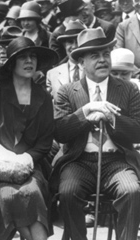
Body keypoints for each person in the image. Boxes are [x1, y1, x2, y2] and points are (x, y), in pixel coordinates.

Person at [50, 27, 140, 240]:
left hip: (117, 160)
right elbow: (60, 132)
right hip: (78, 160)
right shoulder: (66, 92)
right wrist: (84, 114)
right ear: (81, 63)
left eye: (105, 54)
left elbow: (138, 132)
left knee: (132, 191)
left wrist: (112, 118)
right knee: (68, 192)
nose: (102, 60)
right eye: (94, 56)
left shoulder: (128, 89)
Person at [0, 36, 59, 240]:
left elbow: (45, 141)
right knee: (8, 194)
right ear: (12, 63)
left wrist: (25, 160)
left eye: (33, 57)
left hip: (31, 166)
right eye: (23, 57)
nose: (29, 61)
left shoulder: (44, 97)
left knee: (32, 192)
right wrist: (3, 155)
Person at [50, 0, 116, 64]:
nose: (83, 15)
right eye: (80, 13)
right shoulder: (57, 34)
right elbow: (55, 62)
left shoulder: (83, 29)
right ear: (72, 17)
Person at [47, 19, 85, 102]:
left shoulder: (93, 69)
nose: (74, 46)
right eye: (70, 42)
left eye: (78, 41)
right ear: (64, 45)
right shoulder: (52, 74)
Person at [115, 0, 140, 76]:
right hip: (135, 78)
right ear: (136, 5)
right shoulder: (123, 26)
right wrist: (137, 73)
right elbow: (118, 53)